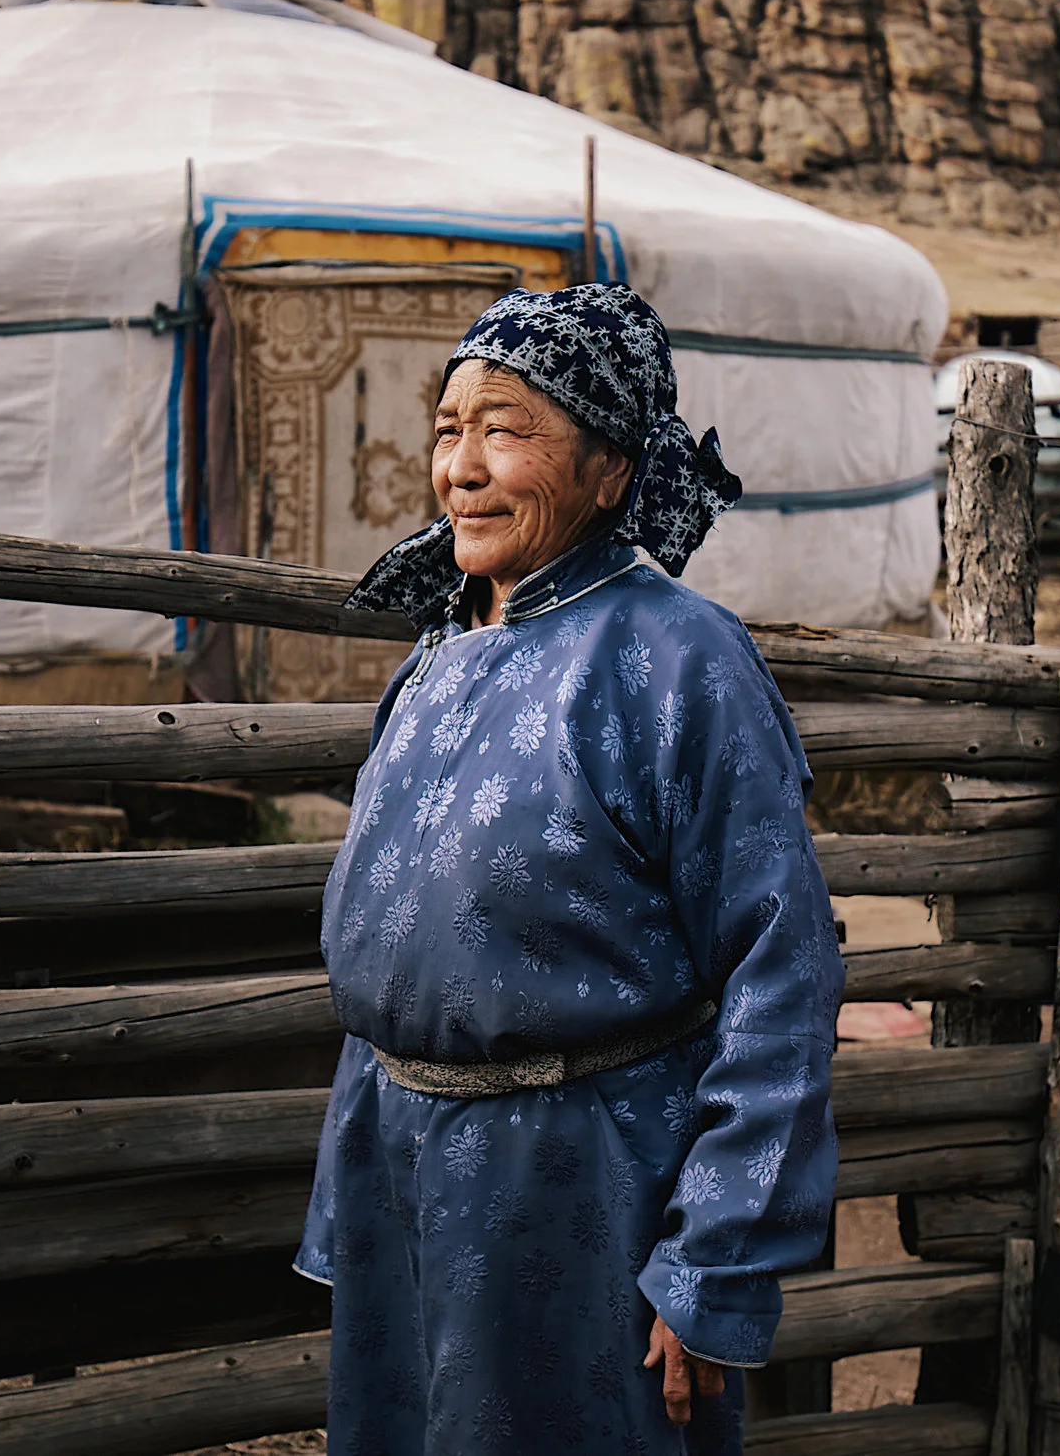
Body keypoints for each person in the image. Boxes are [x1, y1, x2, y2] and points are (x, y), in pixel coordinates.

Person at [295, 283, 843, 1454]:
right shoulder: (439, 655)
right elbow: (396, 971)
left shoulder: (678, 660)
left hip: (586, 1193)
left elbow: (780, 976)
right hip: (405, 1180)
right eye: (447, 429)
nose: (463, 467)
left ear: (610, 471)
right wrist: (351, 1188)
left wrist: (714, 1264)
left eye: (506, 428)